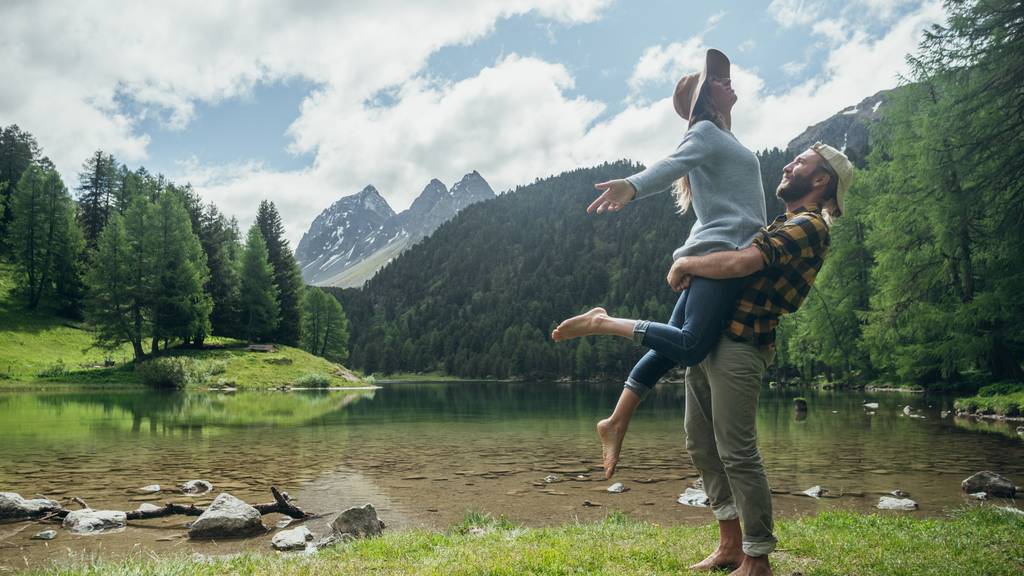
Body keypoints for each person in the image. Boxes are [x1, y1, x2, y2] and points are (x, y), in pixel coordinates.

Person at [555, 142, 854, 576]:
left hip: (742, 346)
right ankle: (729, 545)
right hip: (714, 341)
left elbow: (745, 260)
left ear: (821, 179)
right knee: (701, 445)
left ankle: (757, 556)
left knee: (738, 451)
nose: (789, 166)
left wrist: (690, 264)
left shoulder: (810, 225)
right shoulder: (782, 221)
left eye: (801, 163)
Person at [552, 48, 767, 480]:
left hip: (712, 250)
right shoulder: (706, 131)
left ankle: (614, 421)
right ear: (706, 98)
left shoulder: (722, 139)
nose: (728, 83)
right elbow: (670, 165)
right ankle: (603, 322)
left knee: (667, 351)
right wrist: (631, 186)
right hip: (719, 255)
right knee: (690, 347)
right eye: (719, 82)